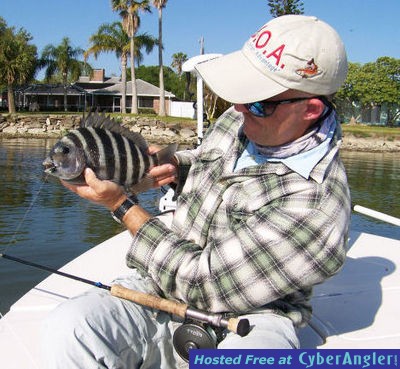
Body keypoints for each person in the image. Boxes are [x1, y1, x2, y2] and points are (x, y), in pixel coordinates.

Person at [42, 14, 351, 369]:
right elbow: (206, 159)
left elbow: (204, 285)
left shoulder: (317, 206)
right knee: (69, 328)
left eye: (257, 102)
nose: (238, 108)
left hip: (253, 317)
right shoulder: (241, 122)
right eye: (241, 93)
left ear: (310, 109)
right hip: (158, 286)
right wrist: (178, 168)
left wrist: (121, 205)